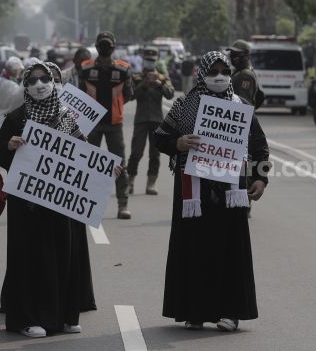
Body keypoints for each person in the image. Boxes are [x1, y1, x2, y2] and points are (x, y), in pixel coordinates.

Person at [153, 51, 270, 332]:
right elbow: (160, 137)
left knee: (230, 251)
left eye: (224, 71)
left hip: (230, 194)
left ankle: (230, 312)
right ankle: (195, 311)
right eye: (213, 71)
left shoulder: (240, 106)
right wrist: (179, 142)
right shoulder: (184, 105)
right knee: (195, 250)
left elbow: (259, 146)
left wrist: (261, 179)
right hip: (194, 193)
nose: (219, 77)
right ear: (201, 74)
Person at [0, 62, 86, 338]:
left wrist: (107, 168)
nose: (39, 84)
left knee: (63, 255)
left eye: (44, 78)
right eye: (32, 80)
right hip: (28, 205)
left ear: (53, 80)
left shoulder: (67, 115)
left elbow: (84, 152)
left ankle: (63, 318)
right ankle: (27, 319)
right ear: (25, 86)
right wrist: (9, 146)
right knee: (31, 258)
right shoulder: (17, 117)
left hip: (60, 202)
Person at [80, 31, 134, 219]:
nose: (105, 49)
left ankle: (123, 205)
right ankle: (85, 204)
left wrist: (116, 106)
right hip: (92, 124)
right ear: (96, 47)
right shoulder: (85, 68)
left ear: (113, 48)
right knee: (89, 164)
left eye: (108, 46)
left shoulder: (123, 69)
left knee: (120, 164)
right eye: (102, 45)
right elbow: (79, 95)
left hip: (114, 123)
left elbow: (128, 93)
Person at [128, 46, 174, 196]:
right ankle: (130, 181)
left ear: (156, 61)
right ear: (143, 60)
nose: (150, 63)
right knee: (136, 152)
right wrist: (144, 85)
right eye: (148, 60)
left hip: (157, 120)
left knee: (155, 153)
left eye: (152, 60)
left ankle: (151, 183)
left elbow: (170, 94)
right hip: (141, 120)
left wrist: (160, 84)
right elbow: (131, 95)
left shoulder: (161, 77)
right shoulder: (137, 77)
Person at [0, 56, 24, 136]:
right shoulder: (14, 85)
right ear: (14, 70)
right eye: (18, 70)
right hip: (7, 118)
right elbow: (15, 105)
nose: (19, 72)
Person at [227, 40, 261, 108]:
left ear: (246, 55)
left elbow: (243, 103)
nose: (233, 56)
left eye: (236, 54)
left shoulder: (246, 75)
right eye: (232, 53)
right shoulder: (238, 71)